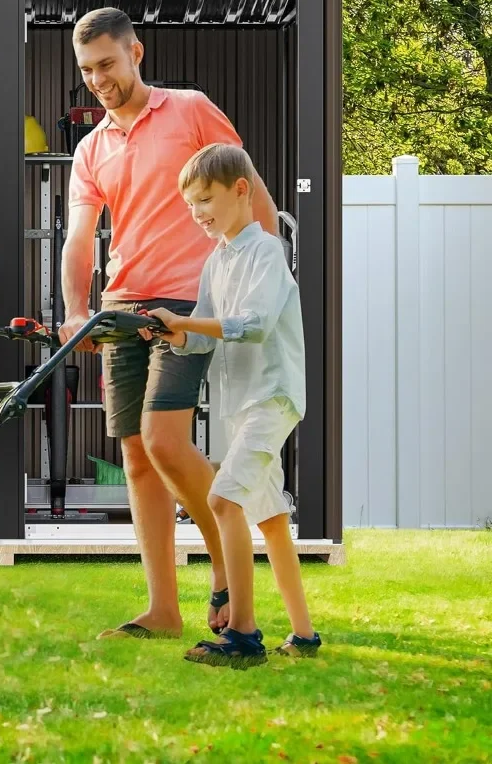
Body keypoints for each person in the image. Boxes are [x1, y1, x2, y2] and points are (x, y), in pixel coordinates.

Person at [58, 7, 279, 640]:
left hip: (189, 301)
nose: (98, 79)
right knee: (136, 458)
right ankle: (162, 609)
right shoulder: (91, 148)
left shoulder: (190, 110)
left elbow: (247, 187)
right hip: (122, 305)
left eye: (107, 64)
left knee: (164, 440)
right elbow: (80, 239)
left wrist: (264, 272)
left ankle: (226, 572)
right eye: (87, 70)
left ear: (136, 53)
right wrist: (77, 310)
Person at [145, 142, 320, 668]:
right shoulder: (215, 260)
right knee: (269, 521)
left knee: (223, 500)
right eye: (191, 204)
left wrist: (187, 325)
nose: (197, 213)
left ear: (240, 191)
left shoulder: (266, 253)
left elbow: (253, 325)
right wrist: (168, 334)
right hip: (239, 405)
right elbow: (201, 338)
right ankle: (305, 636)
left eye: (205, 199)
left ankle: (244, 634)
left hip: (272, 396)